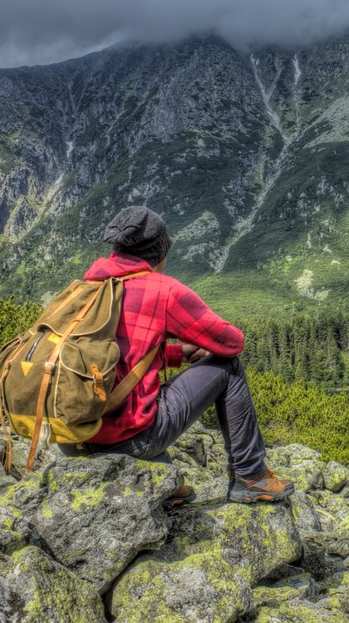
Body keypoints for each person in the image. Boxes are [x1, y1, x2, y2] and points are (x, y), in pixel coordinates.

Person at [59, 206, 293, 507]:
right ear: (160, 253)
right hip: (127, 441)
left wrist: (175, 354)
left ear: (116, 249)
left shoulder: (88, 288)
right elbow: (232, 342)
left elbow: (110, 358)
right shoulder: (161, 290)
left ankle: (160, 479)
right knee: (228, 367)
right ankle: (251, 475)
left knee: (137, 405)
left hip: (71, 437)